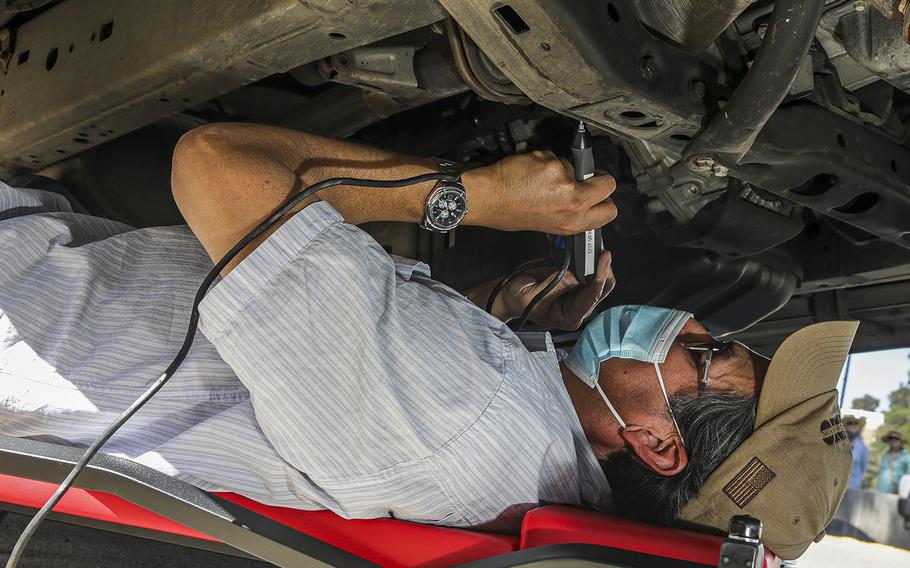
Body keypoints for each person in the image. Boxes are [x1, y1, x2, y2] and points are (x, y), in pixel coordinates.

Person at [0, 124, 857, 560]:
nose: (693, 324)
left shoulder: (466, 416)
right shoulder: (517, 441)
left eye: (709, 353)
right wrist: (497, 307)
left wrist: (477, 196)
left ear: (657, 443)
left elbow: (217, 163)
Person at [845, 416, 869, 489]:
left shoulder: (863, 448)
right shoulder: (839, 443)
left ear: (859, 427)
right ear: (846, 426)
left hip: (853, 486)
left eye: (855, 423)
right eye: (850, 423)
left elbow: (863, 468)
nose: (852, 425)